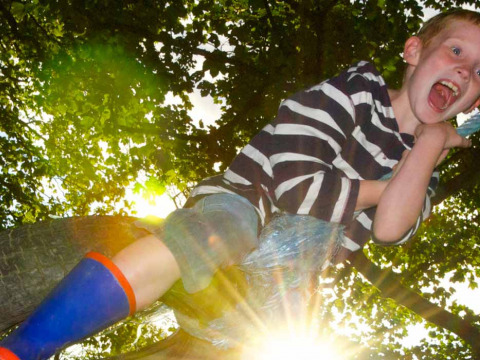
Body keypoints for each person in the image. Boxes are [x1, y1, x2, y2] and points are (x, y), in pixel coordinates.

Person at [1, 8, 480, 360]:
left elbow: (391, 228)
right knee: (213, 235)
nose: (465, 71)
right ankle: (24, 349)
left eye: (479, 73)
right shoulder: (356, 90)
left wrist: (427, 147)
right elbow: (296, 185)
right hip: (246, 203)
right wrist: (387, 188)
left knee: (260, 343)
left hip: (291, 270)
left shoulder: (424, 169)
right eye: (457, 52)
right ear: (414, 50)